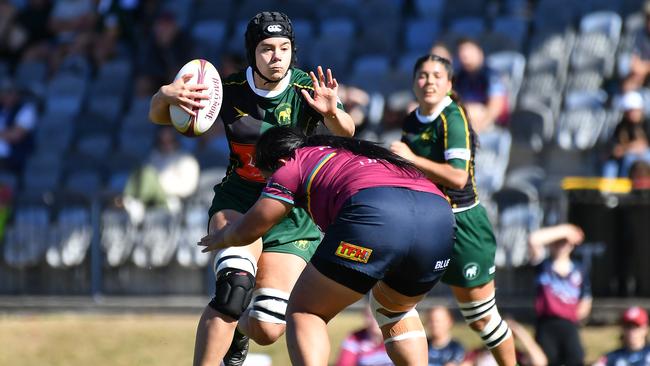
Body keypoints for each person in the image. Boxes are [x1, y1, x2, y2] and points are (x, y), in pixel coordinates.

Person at [148, 11, 355, 366]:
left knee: (268, 325)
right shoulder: (225, 91)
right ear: (252, 53)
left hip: (292, 214)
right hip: (240, 200)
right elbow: (160, 116)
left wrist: (332, 113)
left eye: (284, 48)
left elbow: (347, 132)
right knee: (233, 289)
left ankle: (241, 332)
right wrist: (165, 95)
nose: (277, 57)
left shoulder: (306, 86)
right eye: (267, 49)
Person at [199, 127, 455, 365]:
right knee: (395, 311)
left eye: (268, 178)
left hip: (376, 217)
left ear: (278, 164)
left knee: (305, 310)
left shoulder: (293, 163)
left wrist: (224, 237)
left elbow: (253, 226)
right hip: (440, 220)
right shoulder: (353, 154)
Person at [390, 54, 516, 365]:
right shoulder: (412, 120)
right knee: (391, 304)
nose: (429, 81)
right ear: (414, 82)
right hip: (425, 222)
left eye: (436, 75)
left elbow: (458, 177)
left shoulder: (453, 118)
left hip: (463, 224)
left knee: (482, 320)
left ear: (449, 84)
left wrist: (410, 158)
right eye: (422, 75)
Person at [528, 223, 592, 366]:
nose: (561, 246)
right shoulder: (542, 266)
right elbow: (533, 239)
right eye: (557, 242)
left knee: (575, 359)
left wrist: (576, 318)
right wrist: (565, 230)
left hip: (569, 325)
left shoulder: (579, 269)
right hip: (546, 325)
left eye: (564, 242)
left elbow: (586, 299)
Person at [121, 126, 200, 223]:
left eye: (169, 140)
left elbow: (188, 188)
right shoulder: (153, 158)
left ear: (175, 140)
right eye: (162, 141)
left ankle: (136, 202)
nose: (166, 144)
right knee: (140, 170)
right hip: (150, 196)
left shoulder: (187, 160)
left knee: (148, 173)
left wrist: (161, 183)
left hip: (170, 200)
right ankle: (132, 201)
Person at [454, 38, 508, 128]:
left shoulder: (491, 75)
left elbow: (495, 108)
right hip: (464, 121)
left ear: (479, 53)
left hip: (491, 123)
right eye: (461, 52)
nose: (465, 56)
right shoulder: (460, 77)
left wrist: (479, 128)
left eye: (469, 51)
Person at [602, 91, 650, 178]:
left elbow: (642, 145)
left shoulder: (647, 123)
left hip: (643, 156)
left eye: (632, 110)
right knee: (610, 164)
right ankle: (610, 190)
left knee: (629, 159)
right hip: (626, 155)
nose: (630, 114)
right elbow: (615, 145)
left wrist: (626, 149)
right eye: (628, 111)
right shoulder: (621, 125)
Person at [0, 79, 36, 175]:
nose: (8, 95)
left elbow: (16, 135)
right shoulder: (1, 109)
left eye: (11, 92)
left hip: (10, 158)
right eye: (5, 92)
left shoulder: (26, 109)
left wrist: (6, 134)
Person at [622, 0, 650, 92]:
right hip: (640, 77)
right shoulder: (638, 33)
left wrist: (645, 68)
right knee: (628, 89)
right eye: (647, 17)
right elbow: (633, 59)